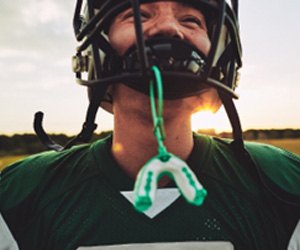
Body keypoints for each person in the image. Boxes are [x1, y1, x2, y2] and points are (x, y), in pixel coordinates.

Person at [0, 0, 299, 249]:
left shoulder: (282, 184)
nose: (169, 28)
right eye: (139, 15)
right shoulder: (21, 195)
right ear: (98, 49)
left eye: (191, 20)